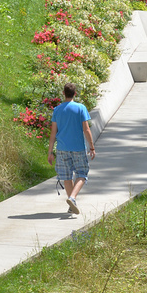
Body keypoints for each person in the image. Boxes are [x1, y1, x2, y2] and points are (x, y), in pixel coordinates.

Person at [48, 82, 96, 215]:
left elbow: (53, 133)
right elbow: (86, 130)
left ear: (63, 93)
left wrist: (50, 152)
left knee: (67, 177)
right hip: (78, 148)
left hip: (62, 148)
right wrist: (92, 147)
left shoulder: (57, 110)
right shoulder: (80, 108)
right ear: (75, 93)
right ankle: (72, 198)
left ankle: (71, 204)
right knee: (82, 174)